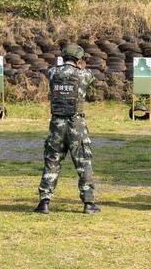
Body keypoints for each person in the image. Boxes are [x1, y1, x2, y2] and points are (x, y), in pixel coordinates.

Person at [34, 44, 100, 214]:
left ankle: (44, 201)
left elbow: (50, 72)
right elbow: (91, 77)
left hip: (56, 124)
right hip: (75, 124)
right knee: (83, 162)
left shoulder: (53, 72)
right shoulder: (84, 74)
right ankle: (88, 202)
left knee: (52, 162)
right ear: (79, 60)